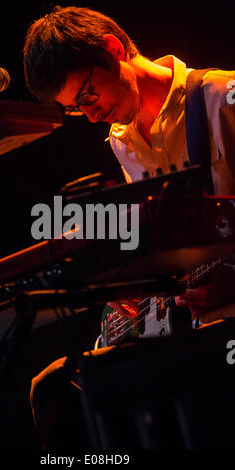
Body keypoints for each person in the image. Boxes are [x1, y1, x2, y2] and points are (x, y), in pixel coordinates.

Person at [23, 5, 235, 448]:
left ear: (113, 49)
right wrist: (132, 282)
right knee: (54, 387)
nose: (92, 115)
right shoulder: (123, 141)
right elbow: (167, 240)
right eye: (76, 109)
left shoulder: (222, 96)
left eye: (86, 96)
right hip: (190, 325)